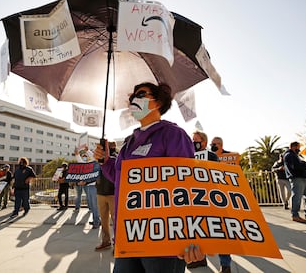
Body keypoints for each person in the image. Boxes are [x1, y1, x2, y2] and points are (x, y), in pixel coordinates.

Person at [93, 82, 204, 272]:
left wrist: (192, 235)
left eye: (141, 94)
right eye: (132, 97)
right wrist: (105, 162)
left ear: (159, 101)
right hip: (128, 236)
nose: (134, 100)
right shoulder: (129, 142)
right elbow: (121, 180)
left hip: (164, 241)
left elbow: (188, 186)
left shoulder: (173, 135)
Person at [189, 131, 232, 273]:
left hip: (211, 198)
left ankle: (225, 264)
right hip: (195, 199)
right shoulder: (187, 155)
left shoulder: (212, 156)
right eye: (192, 139)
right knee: (198, 229)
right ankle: (199, 259)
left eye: (196, 140)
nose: (193, 142)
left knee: (219, 231)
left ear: (204, 143)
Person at [283, 141, 306, 223]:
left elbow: (299, 164)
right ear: (294, 147)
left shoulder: (293, 155)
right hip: (297, 178)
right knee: (297, 197)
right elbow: (296, 166)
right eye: (298, 147)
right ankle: (295, 215)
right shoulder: (290, 155)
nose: (299, 149)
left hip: (301, 177)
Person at [94, 141, 117, 251]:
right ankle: (105, 241)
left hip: (113, 193)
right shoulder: (98, 159)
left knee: (115, 219)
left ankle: (117, 243)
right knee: (103, 219)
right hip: (100, 192)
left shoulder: (117, 158)